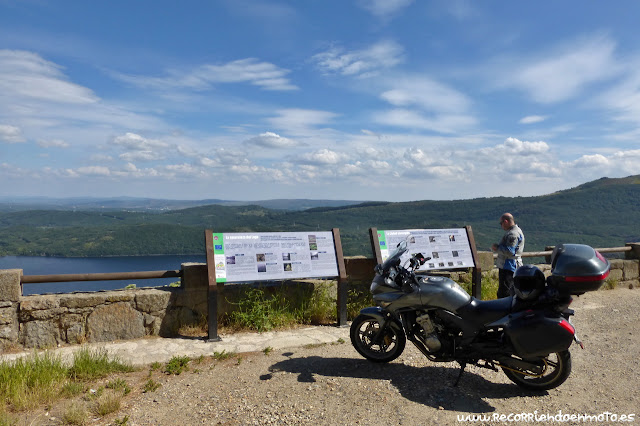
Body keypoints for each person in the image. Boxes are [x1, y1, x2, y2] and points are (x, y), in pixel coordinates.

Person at [491, 213, 525, 298]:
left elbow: (510, 251)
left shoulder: (512, 234)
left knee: (505, 292)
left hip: (508, 266)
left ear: (505, 221)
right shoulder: (516, 231)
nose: (501, 226)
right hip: (510, 265)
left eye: (501, 223)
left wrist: (497, 248)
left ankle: (504, 309)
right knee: (509, 290)